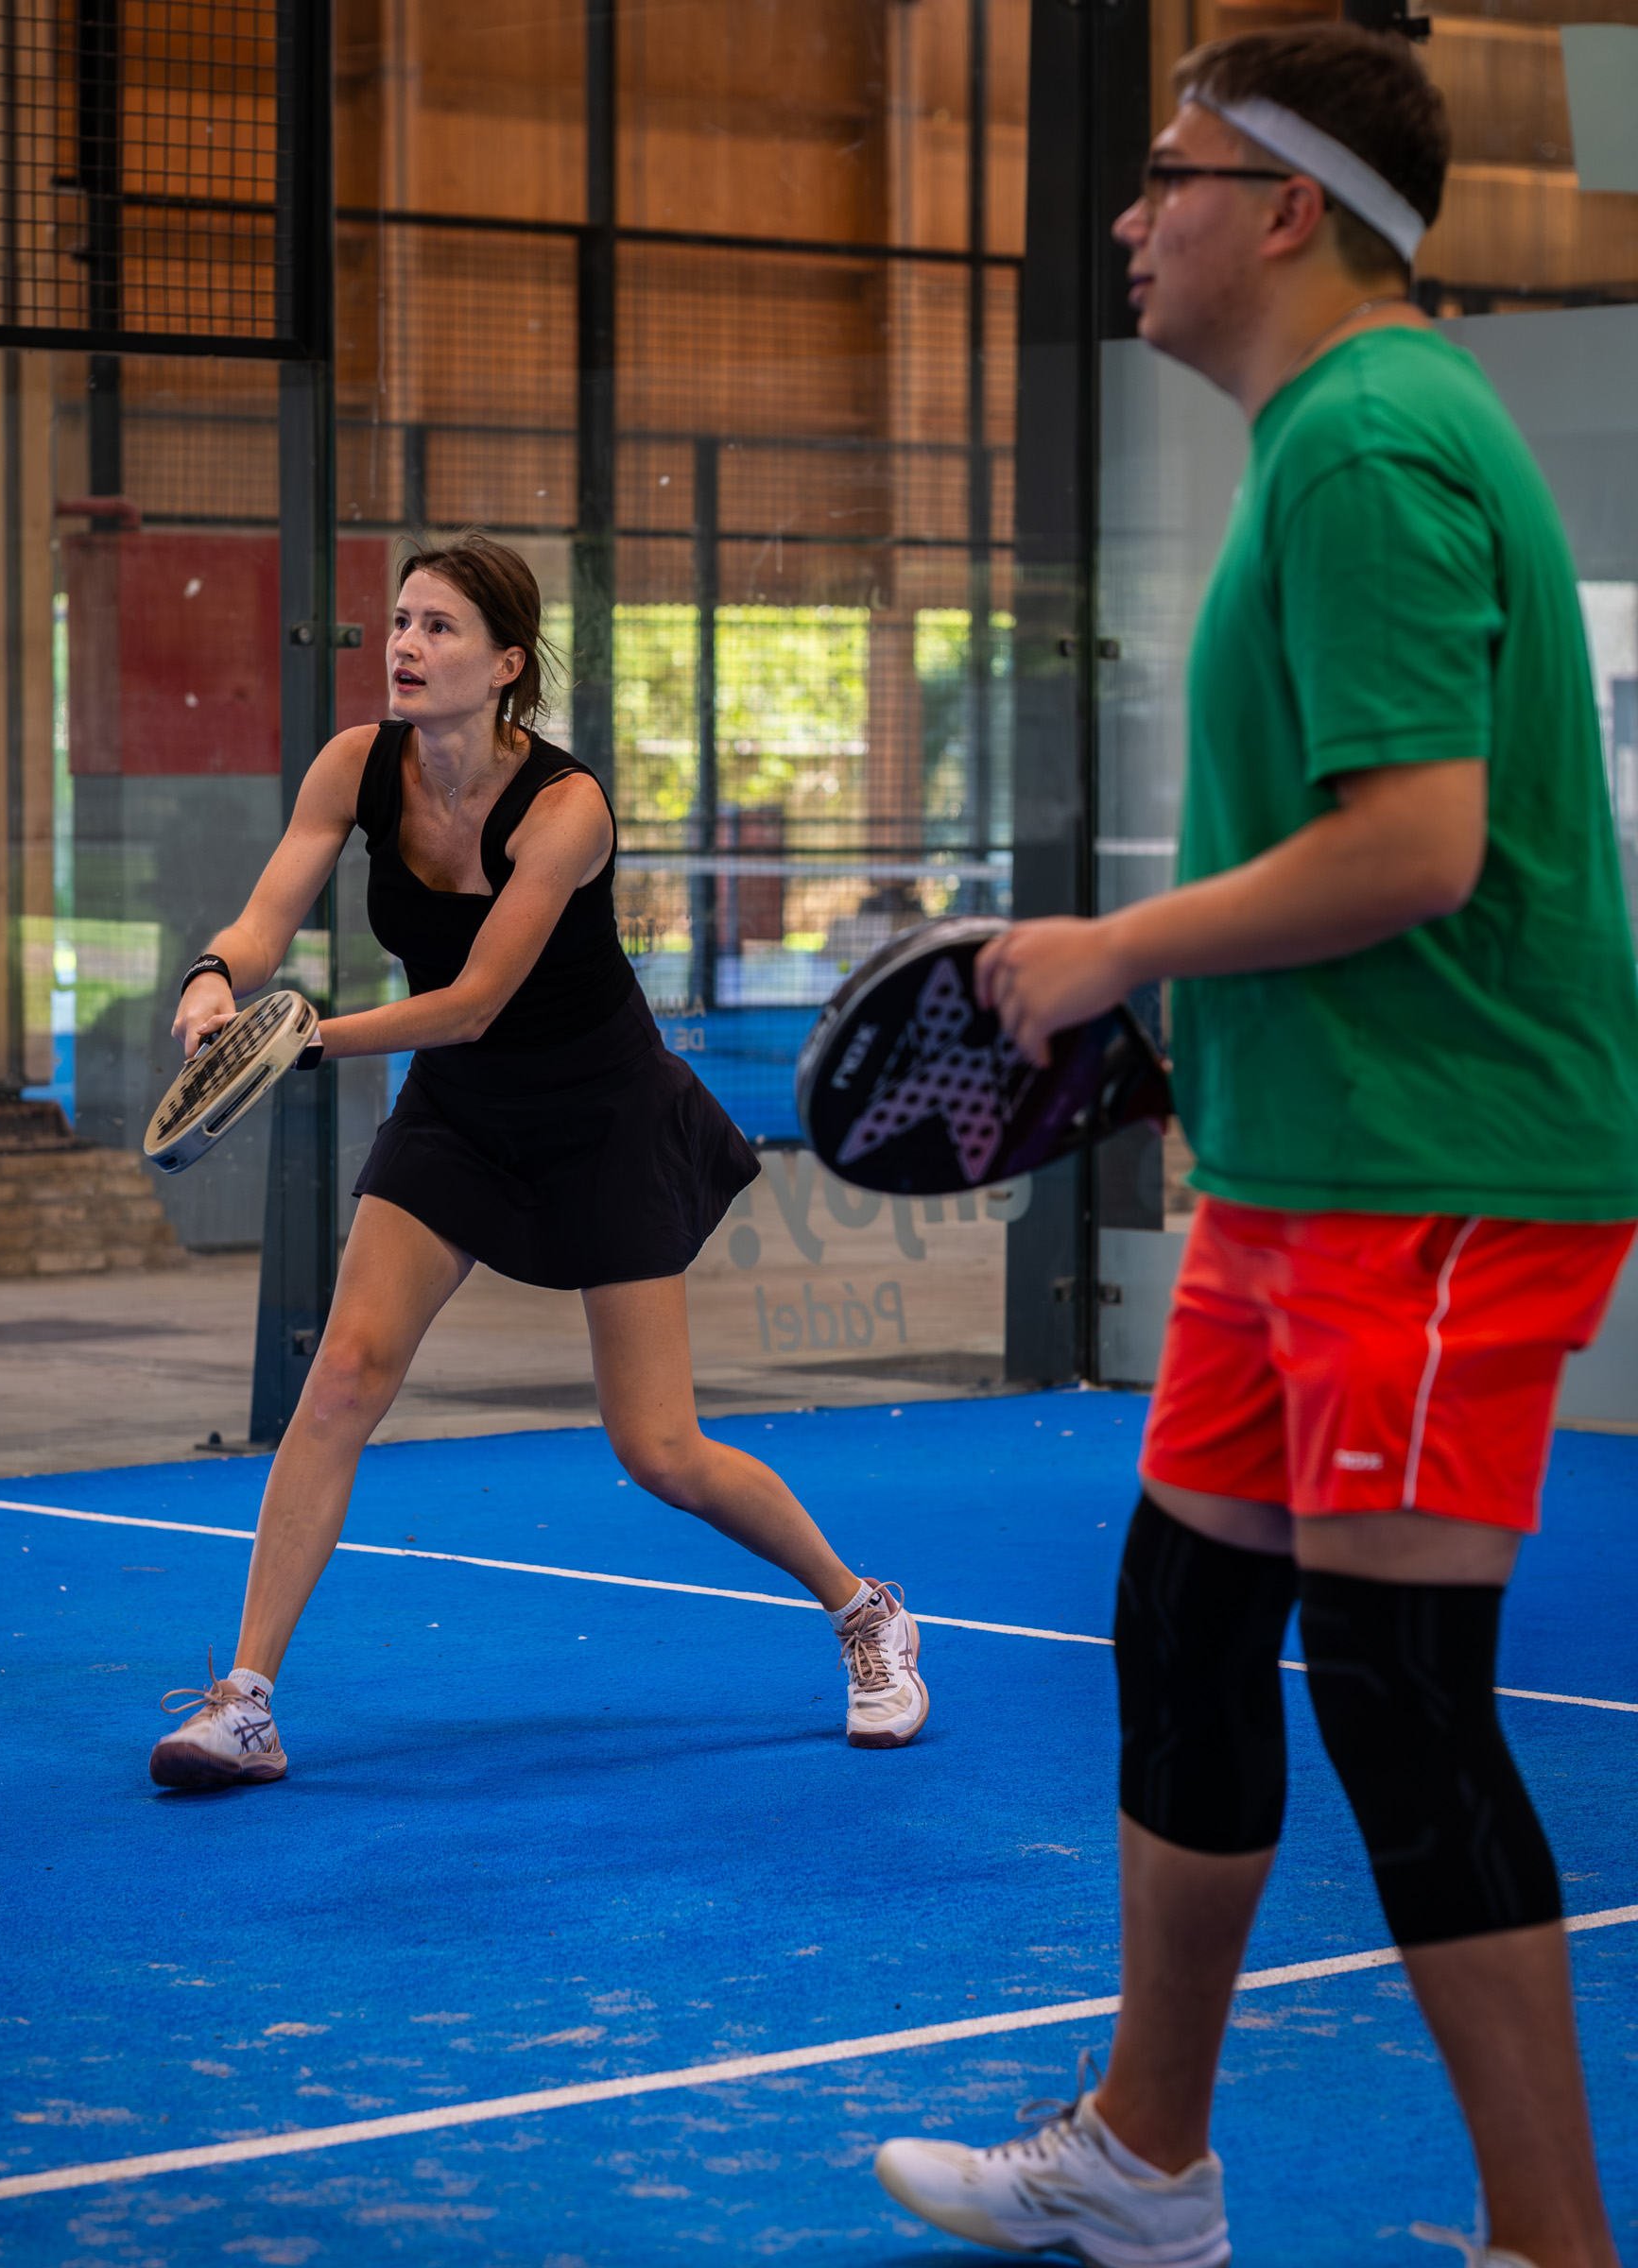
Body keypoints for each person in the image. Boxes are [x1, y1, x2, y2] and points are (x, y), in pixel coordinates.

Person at [873, 26, 1638, 2268]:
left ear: (1287, 206)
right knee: (1185, 1629)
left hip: (1435, 1179)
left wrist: (1106, 950)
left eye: (1165, 174)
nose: (1127, 216)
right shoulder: (1328, 438)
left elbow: (1411, 844)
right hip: (1300, 1178)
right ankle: (1141, 2156)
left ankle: (1549, 2247)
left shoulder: (1370, 442)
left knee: (1399, 1706)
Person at [148, 534, 929, 1789]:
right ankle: (245, 1701)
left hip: (604, 1117)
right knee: (343, 1377)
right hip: (460, 1118)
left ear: (507, 663)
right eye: (400, 621)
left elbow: (474, 998)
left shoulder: (567, 809)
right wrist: (215, 978)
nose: (405, 645)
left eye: (441, 628)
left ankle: (863, 1610)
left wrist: (298, 1041)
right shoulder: (356, 767)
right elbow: (263, 913)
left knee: (659, 1450)